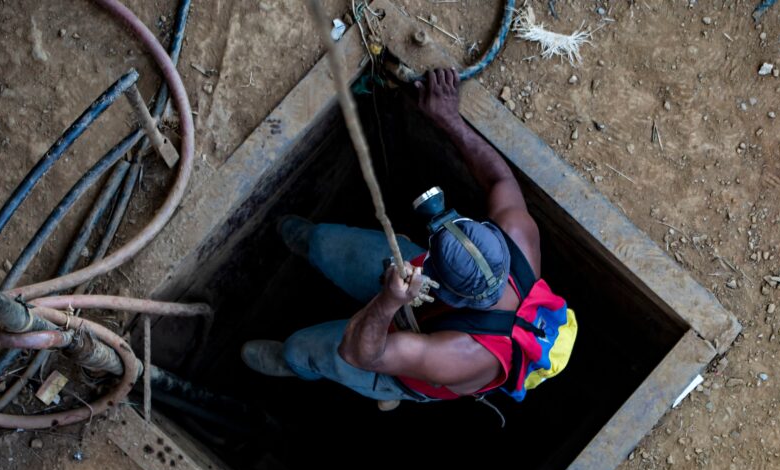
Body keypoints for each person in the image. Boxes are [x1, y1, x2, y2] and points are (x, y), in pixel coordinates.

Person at [241, 68, 576, 406]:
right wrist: (449, 119)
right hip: (406, 281)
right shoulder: (516, 234)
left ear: (449, 293)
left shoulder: (461, 355)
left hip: (395, 356)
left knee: (307, 348)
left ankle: (295, 362)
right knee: (326, 242)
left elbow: (360, 354)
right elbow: (498, 178)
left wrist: (388, 301)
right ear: (493, 236)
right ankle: (304, 240)